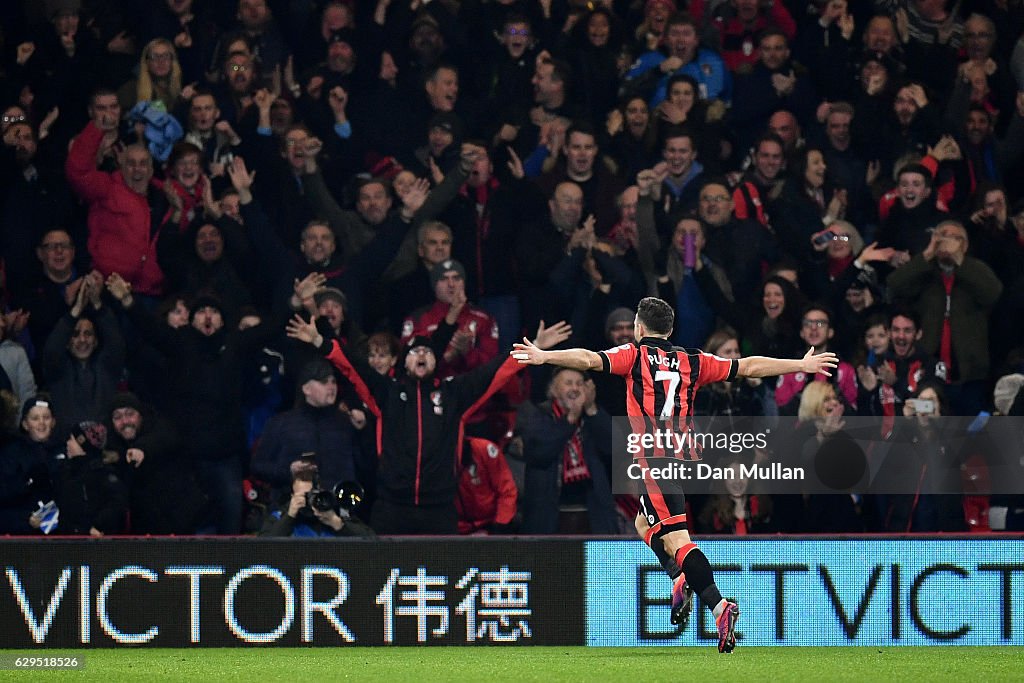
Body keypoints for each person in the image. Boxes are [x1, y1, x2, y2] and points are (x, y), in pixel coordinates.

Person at [511, 296, 837, 653]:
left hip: (654, 458)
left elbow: (588, 359)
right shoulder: (692, 361)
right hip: (681, 458)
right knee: (642, 524)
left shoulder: (633, 356)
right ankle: (679, 576)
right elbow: (748, 366)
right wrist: (799, 363)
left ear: (638, 328)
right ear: (670, 330)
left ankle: (718, 605)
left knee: (678, 540)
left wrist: (545, 357)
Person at [286, 315, 570, 535]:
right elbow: (352, 365)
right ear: (403, 362)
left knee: (440, 586)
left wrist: (532, 349)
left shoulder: (454, 395)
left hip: (440, 508)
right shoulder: (386, 393)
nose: (421, 355)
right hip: (392, 507)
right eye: (414, 352)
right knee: (382, 582)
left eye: (427, 352)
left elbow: (495, 370)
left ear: (436, 361)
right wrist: (320, 342)